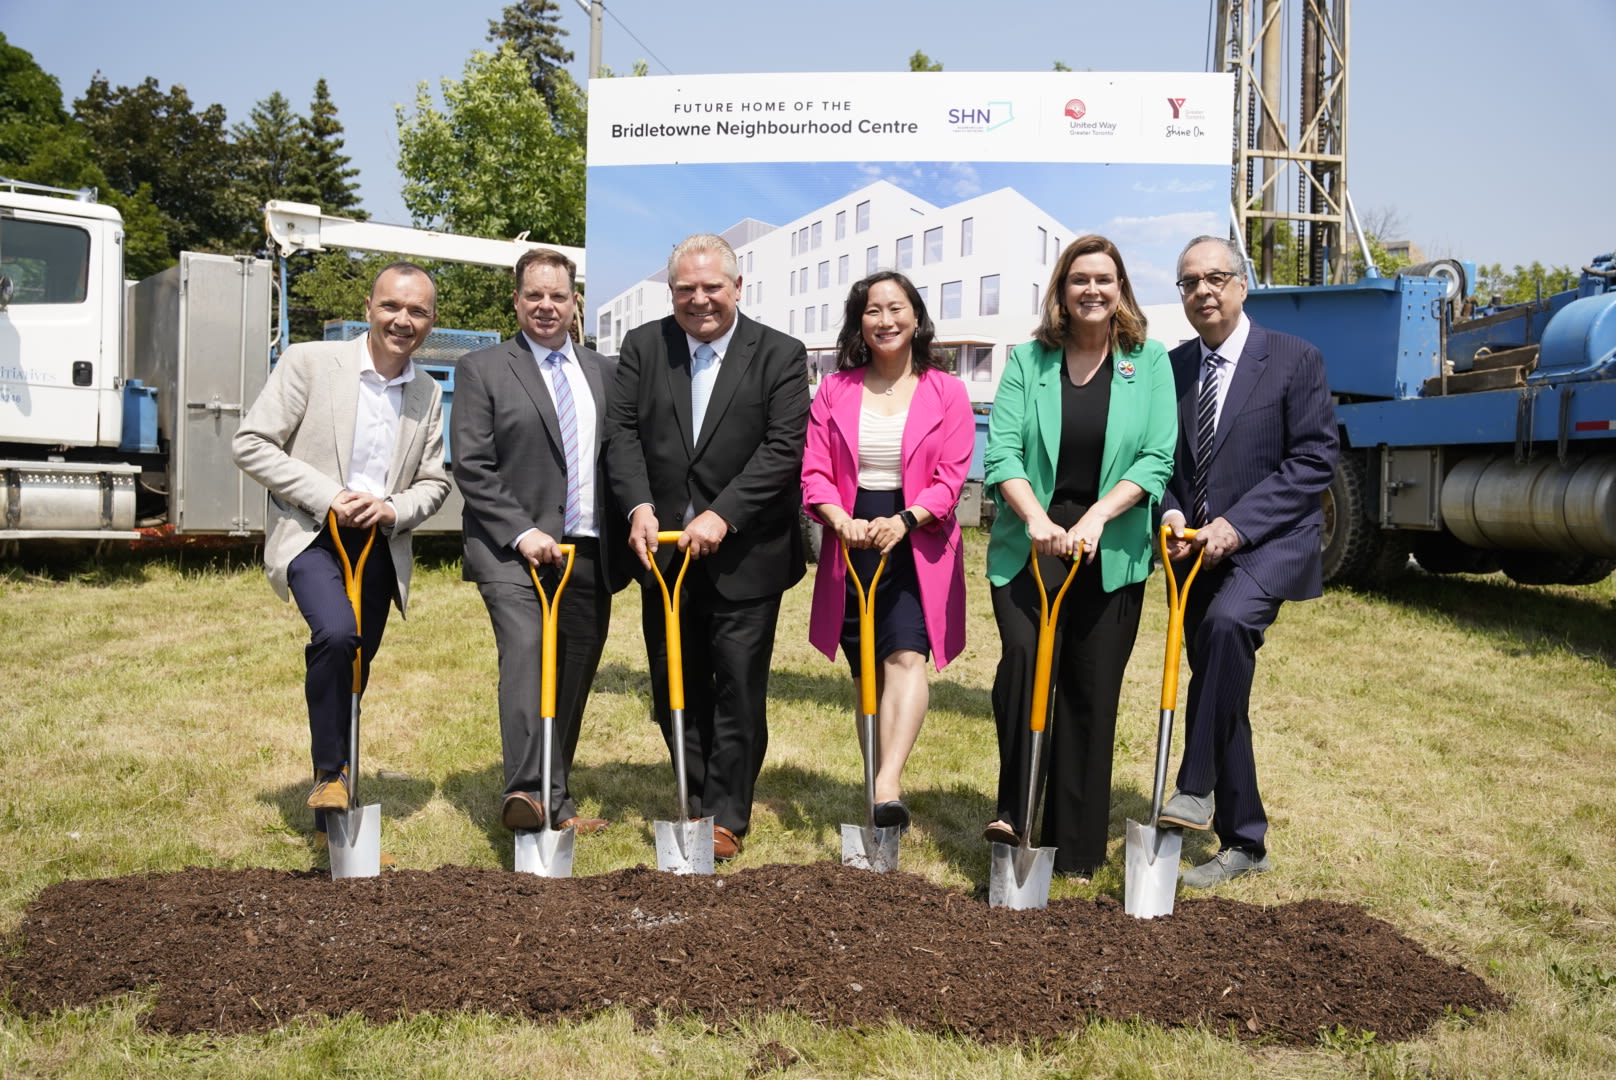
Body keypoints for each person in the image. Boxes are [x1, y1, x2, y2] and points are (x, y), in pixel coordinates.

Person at [605, 233, 811, 862]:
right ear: (670, 293)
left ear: (737, 287)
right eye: (685, 289)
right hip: (662, 552)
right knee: (676, 680)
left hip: (747, 554)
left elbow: (783, 448)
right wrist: (639, 505)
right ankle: (692, 797)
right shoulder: (644, 347)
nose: (699, 300)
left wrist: (723, 515)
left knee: (738, 686)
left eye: (711, 287)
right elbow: (621, 435)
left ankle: (725, 814)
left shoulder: (779, 353)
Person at [980, 235, 1177, 881]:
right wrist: (1036, 519)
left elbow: (1156, 457)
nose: (1092, 290)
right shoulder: (1029, 361)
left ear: (1121, 289)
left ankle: (1076, 848)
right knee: (1024, 666)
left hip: (1111, 545)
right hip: (1030, 547)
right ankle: (1015, 810)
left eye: (1105, 279)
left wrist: (1094, 518)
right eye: (1079, 279)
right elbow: (1002, 452)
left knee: (1091, 693)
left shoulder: (1146, 362)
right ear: (1062, 290)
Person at [233, 262, 451, 828]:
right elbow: (252, 443)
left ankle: (339, 786)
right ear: (369, 305)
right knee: (335, 633)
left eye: (417, 311)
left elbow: (434, 482)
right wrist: (329, 495)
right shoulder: (310, 362)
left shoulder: (425, 392)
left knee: (356, 665)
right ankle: (330, 774)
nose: (403, 320)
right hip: (312, 533)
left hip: (376, 543)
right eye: (391, 307)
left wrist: (393, 508)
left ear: (431, 321)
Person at [1156, 235, 1339, 887]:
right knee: (1219, 684)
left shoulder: (1294, 360)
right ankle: (1245, 843)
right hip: (1192, 553)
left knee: (1229, 628)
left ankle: (1195, 782)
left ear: (1242, 284)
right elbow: (1158, 464)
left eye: (1214, 277)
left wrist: (1236, 527)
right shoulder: (1170, 369)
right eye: (1188, 283)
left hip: (1270, 542)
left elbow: (1315, 459)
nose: (1202, 290)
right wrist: (1174, 516)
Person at [452, 248, 631, 836]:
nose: (546, 307)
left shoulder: (604, 372)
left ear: (575, 302)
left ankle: (556, 796)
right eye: (534, 296)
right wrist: (523, 531)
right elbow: (473, 465)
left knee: (574, 675)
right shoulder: (484, 369)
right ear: (517, 300)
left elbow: (621, 458)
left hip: (588, 550)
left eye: (558, 296)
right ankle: (526, 794)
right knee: (528, 657)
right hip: (511, 550)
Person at [801, 271, 975, 831]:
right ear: (860, 324)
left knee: (906, 654)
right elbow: (815, 472)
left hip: (917, 539)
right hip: (850, 539)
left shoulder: (945, 390)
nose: (885, 320)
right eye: (872, 311)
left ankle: (887, 784)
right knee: (866, 673)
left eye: (896, 308)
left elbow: (951, 477)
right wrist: (840, 520)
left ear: (916, 318)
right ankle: (880, 779)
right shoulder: (835, 389)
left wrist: (906, 519)